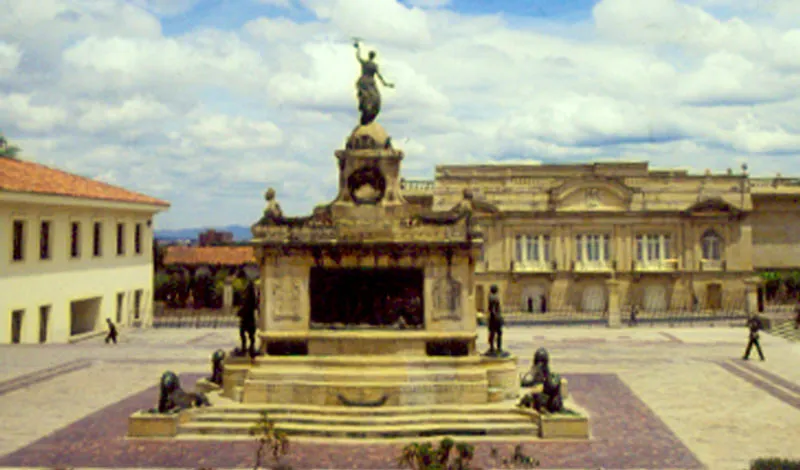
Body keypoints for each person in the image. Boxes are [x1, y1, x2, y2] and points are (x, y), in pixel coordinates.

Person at [354, 40, 394, 126]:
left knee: (376, 97)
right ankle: (362, 106)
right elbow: (380, 77)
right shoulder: (367, 63)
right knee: (366, 95)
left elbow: (358, 57)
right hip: (366, 82)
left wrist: (358, 49)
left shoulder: (372, 65)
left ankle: (370, 111)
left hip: (368, 82)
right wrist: (386, 84)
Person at [238, 280, 258, 357]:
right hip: (249, 318)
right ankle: (249, 347)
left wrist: (241, 312)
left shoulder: (249, 297)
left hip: (247, 318)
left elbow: (246, 307)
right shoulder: (251, 297)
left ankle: (246, 347)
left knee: (244, 333)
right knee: (249, 335)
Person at [487, 285, 505, 355]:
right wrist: (497, 317)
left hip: (493, 318)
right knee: (498, 333)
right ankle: (498, 348)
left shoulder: (490, 297)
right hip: (495, 318)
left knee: (492, 333)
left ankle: (492, 347)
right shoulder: (494, 298)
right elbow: (493, 309)